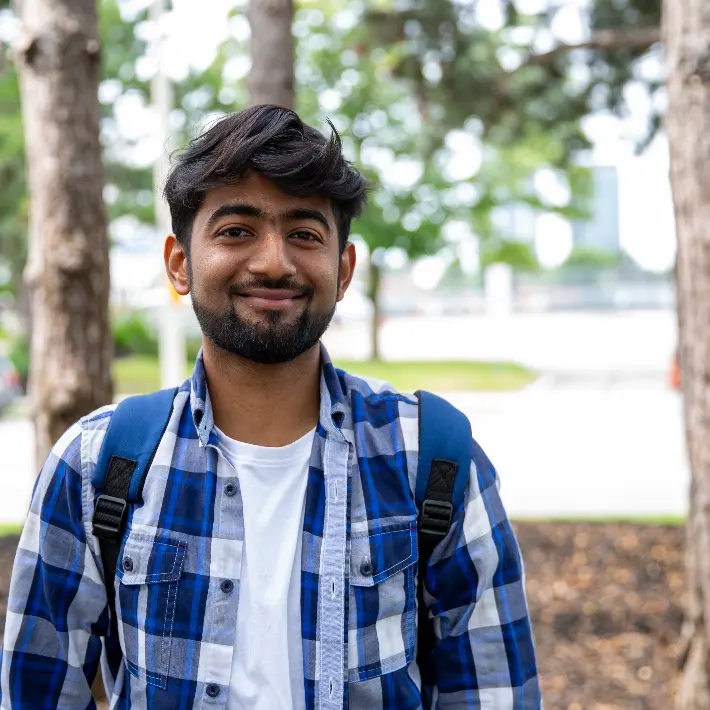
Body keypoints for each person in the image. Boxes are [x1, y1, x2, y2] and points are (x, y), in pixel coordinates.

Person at [0, 105, 541, 709]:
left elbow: (493, 693)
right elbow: (38, 691)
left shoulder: (435, 457)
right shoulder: (95, 463)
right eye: (236, 231)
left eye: (305, 234)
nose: (273, 262)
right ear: (180, 264)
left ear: (343, 268)